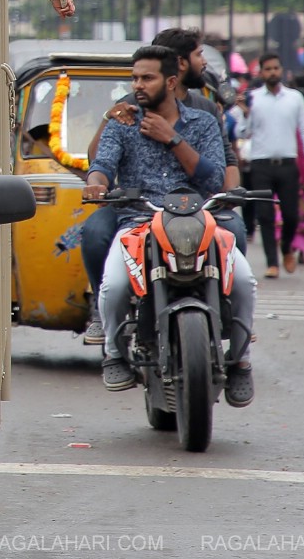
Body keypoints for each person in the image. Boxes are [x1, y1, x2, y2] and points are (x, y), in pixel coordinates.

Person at [82, 45, 256, 406]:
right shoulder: (122, 122)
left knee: (242, 281)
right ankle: (114, 354)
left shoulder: (202, 123)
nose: (138, 86)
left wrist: (172, 139)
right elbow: (102, 164)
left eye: (147, 78)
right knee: (113, 286)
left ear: (171, 81)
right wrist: (97, 181)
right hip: (138, 223)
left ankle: (240, 361)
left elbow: (214, 179)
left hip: (198, 220)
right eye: (134, 78)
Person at [242, 53, 304, 277]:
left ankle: (286, 248)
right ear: (261, 72)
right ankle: (271, 262)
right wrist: (245, 114)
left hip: (287, 163)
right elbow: (244, 132)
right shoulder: (253, 99)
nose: (272, 72)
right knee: (264, 215)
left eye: (276, 68)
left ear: (281, 70)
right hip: (261, 163)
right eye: (268, 69)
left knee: (291, 215)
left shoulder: (294, 98)